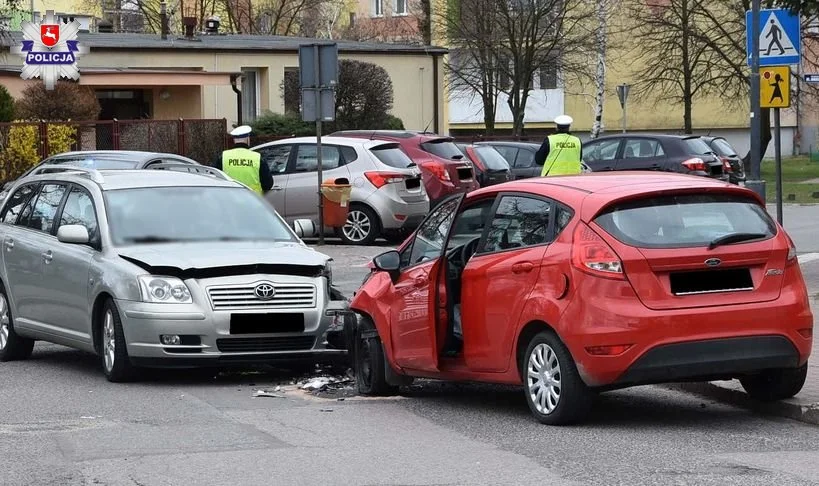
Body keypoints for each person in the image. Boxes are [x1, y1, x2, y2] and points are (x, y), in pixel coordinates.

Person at [213, 125, 273, 195]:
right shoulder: (257, 158)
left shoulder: (223, 157)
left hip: (229, 200)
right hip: (252, 201)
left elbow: (215, 180)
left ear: (234, 140)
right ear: (248, 139)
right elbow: (268, 184)